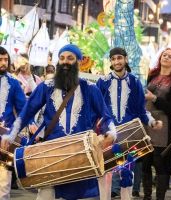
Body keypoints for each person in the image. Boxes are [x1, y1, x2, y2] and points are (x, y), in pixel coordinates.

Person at [0, 44, 116, 200]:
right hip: (51, 156)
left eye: (70, 58)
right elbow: (26, 112)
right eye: (61, 58)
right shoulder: (46, 87)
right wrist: (11, 135)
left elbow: (105, 116)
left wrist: (111, 134)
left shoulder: (90, 88)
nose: (65, 62)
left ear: (79, 62)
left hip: (81, 157)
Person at [96, 47, 162, 199]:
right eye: (113, 59)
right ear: (110, 62)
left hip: (129, 136)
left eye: (119, 58)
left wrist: (152, 122)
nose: (116, 61)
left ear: (125, 59)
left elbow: (141, 109)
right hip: (108, 135)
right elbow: (96, 110)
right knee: (105, 174)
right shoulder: (102, 82)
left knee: (127, 173)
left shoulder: (135, 81)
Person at [144, 47, 171, 200]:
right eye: (164, 55)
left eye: (170, 56)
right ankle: (146, 196)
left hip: (164, 124)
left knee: (160, 162)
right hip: (147, 121)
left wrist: (154, 98)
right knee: (146, 161)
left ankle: (160, 197)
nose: (166, 57)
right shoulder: (152, 74)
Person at [0, 46, 26, 200]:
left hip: (5, 139)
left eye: (5, 60)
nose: (3, 63)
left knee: (4, 184)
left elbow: (24, 109)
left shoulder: (14, 83)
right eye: (0, 59)